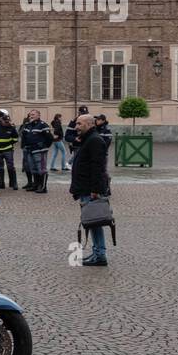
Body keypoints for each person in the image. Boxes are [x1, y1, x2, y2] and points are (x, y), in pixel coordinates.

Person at [70, 114, 111, 267]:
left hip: (90, 189)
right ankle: (97, 252)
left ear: (89, 124)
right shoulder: (89, 138)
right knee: (92, 222)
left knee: (94, 222)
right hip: (85, 188)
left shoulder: (95, 140)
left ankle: (100, 254)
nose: (76, 127)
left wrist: (95, 189)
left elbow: (98, 168)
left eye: (79, 124)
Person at [20, 109, 52, 193]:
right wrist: (24, 146)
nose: (31, 116)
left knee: (41, 169)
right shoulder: (28, 125)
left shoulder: (43, 125)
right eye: (30, 114)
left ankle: (43, 187)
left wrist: (43, 146)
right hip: (30, 150)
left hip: (39, 151)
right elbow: (24, 136)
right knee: (33, 169)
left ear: (38, 115)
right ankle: (36, 185)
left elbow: (49, 138)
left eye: (33, 114)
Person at [0, 109, 19, 190]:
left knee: (11, 167)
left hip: (8, 150)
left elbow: (15, 138)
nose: (5, 121)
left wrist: (9, 144)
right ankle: (0, 183)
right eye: (3, 118)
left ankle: (13, 183)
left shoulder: (11, 127)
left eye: (6, 118)